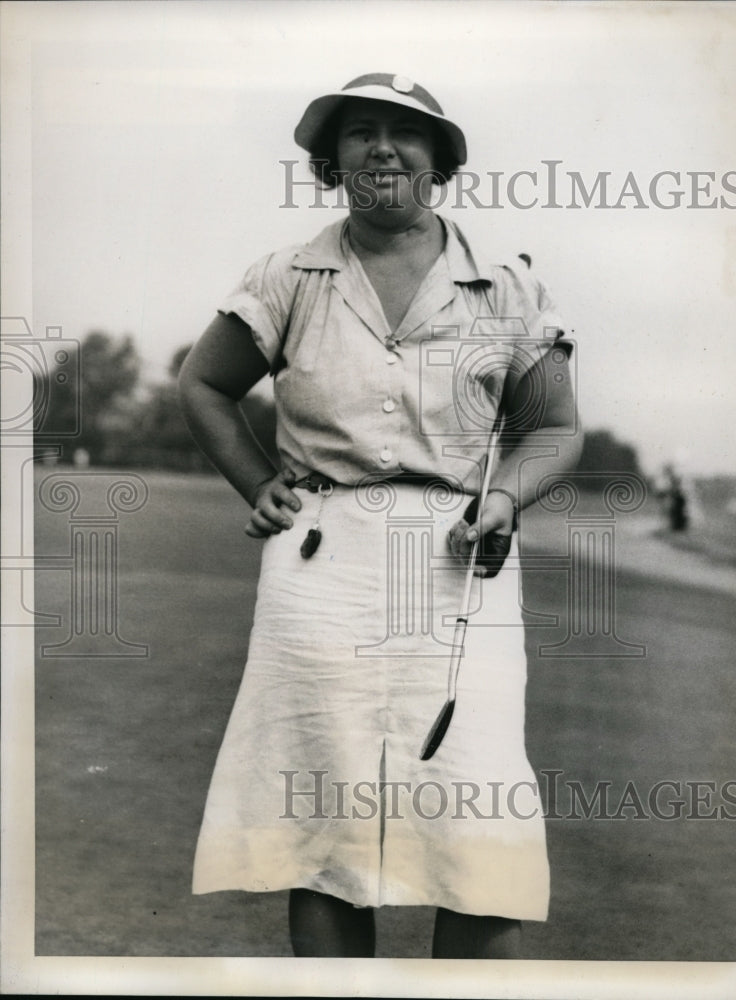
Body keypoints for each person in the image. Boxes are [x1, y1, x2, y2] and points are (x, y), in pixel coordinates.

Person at [178, 72, 583, 959]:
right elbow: (204, 386)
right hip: (320, 571)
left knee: (475, 830)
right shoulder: (289, 276)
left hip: (457, 572)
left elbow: (554, 429)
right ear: (333, 162)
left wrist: (505, 498)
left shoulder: (505, 289)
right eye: (360, 133)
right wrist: (258, 484)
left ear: (440, 161)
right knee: (326, 830)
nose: (383, 149)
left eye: (406, 134)